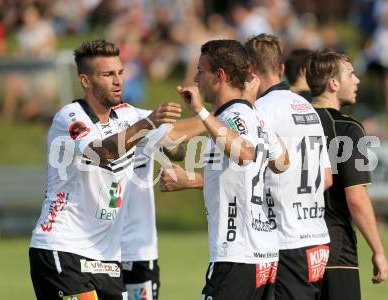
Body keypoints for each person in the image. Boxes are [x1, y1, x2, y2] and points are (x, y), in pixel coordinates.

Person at [28, 39, 183, 300]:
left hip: (106, 259)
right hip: (62, 248)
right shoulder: (69, 117)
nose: (118, 81)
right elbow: (104, 153)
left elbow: (175, 139)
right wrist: (149, 123)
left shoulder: (126, 115)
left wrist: (197, 122)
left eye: (120, 73)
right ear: (85, 81)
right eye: (108, 74)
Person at [168, 39, 290, 300]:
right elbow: (282, 163)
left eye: (201, 70)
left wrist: (200, 111)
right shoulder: (255, 115)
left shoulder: (231, 117)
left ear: (219, 75)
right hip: (264, 254)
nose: (196, 77)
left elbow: (245, 154)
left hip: (237, 255)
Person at [245, 33, 332, 300]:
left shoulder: (260, 110)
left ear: (249, 70)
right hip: (316, 235)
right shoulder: (307, 107)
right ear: (282, 68)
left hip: (285, 238)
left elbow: (248, 169)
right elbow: (327, 178)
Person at [305, 49, 388, 300]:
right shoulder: (348, 128)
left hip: (291, 249)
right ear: (333, 83)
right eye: (351, 75)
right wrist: (378, 249)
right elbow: (356, 198)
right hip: (334, 249)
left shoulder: (292, 122)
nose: (357, 80)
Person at [121, 138, 184, 300]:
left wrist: (168, 140)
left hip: (136, 249)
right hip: (95, 248)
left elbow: (179, 152)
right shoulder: (86, 123)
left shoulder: (142, 119)